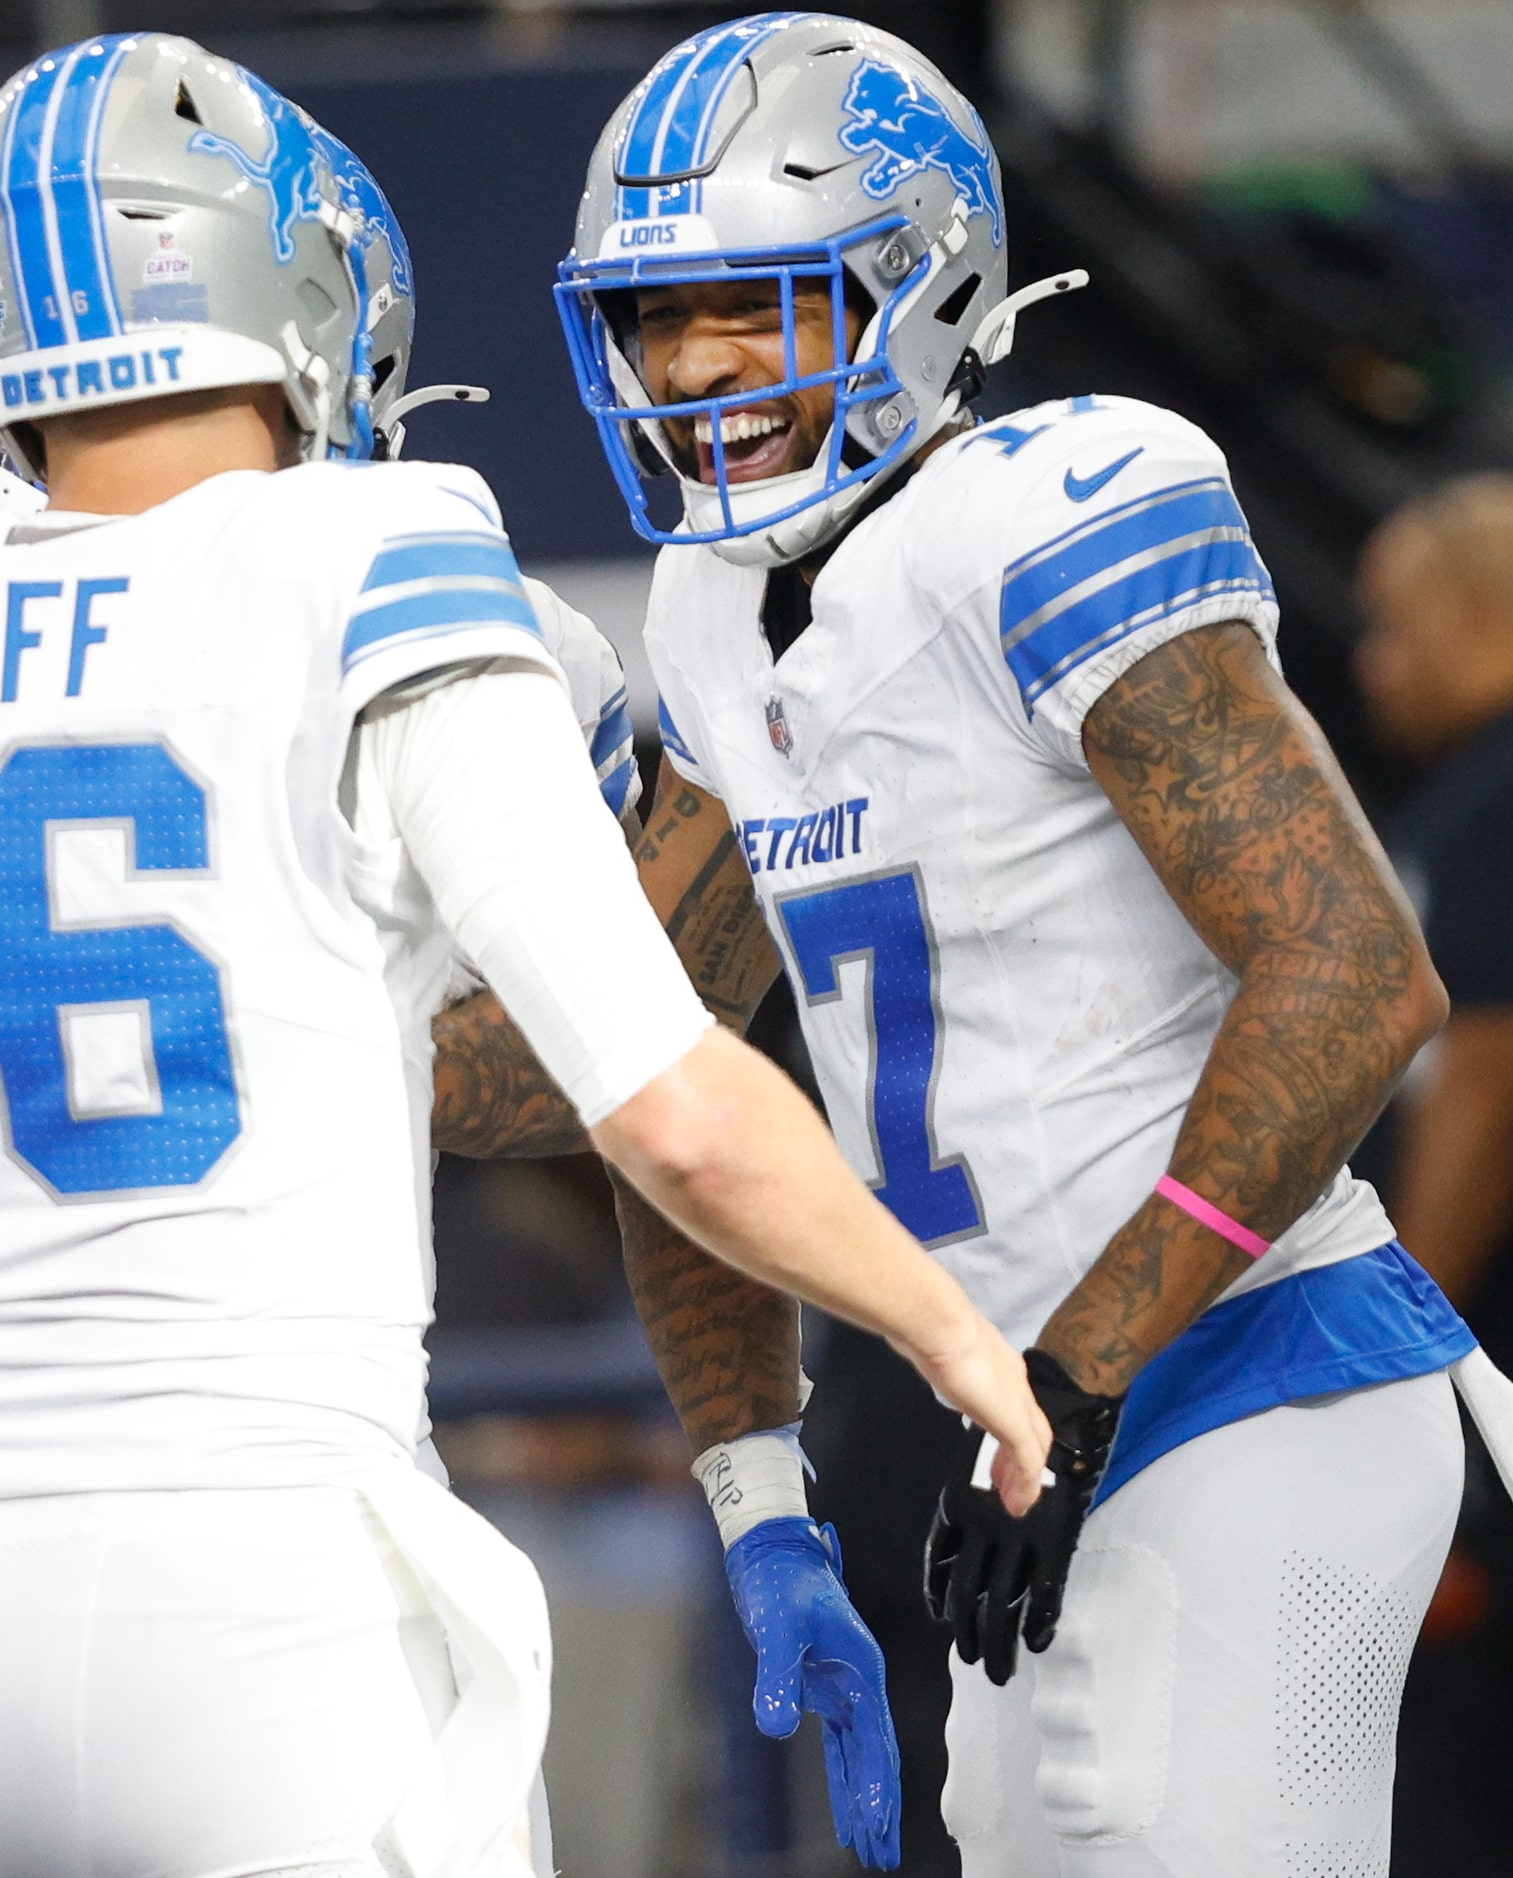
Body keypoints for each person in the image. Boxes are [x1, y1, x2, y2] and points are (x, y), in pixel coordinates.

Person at [0, 35, 1046, 1878]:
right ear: (306, 296)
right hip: (264, 1588)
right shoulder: (376, 550)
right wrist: (956, 1333)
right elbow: (677, 1116)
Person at [443, 14, 1479, 1872]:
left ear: (913, 279)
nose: (687, 365)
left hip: (1255, 1365)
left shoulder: (1044, 509)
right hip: (1026, 1419)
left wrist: (1078, 1374)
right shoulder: (702, 613)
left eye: (747, 304)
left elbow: (1353, 970)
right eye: (653, 315)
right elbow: (656, 1070)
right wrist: (762, 1499)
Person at [1356, 474, 1513, 1874]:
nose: (1369, 665)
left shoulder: (1490, 795)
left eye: (1395, 628)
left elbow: (1489, 1080)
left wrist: (1398, 1339)